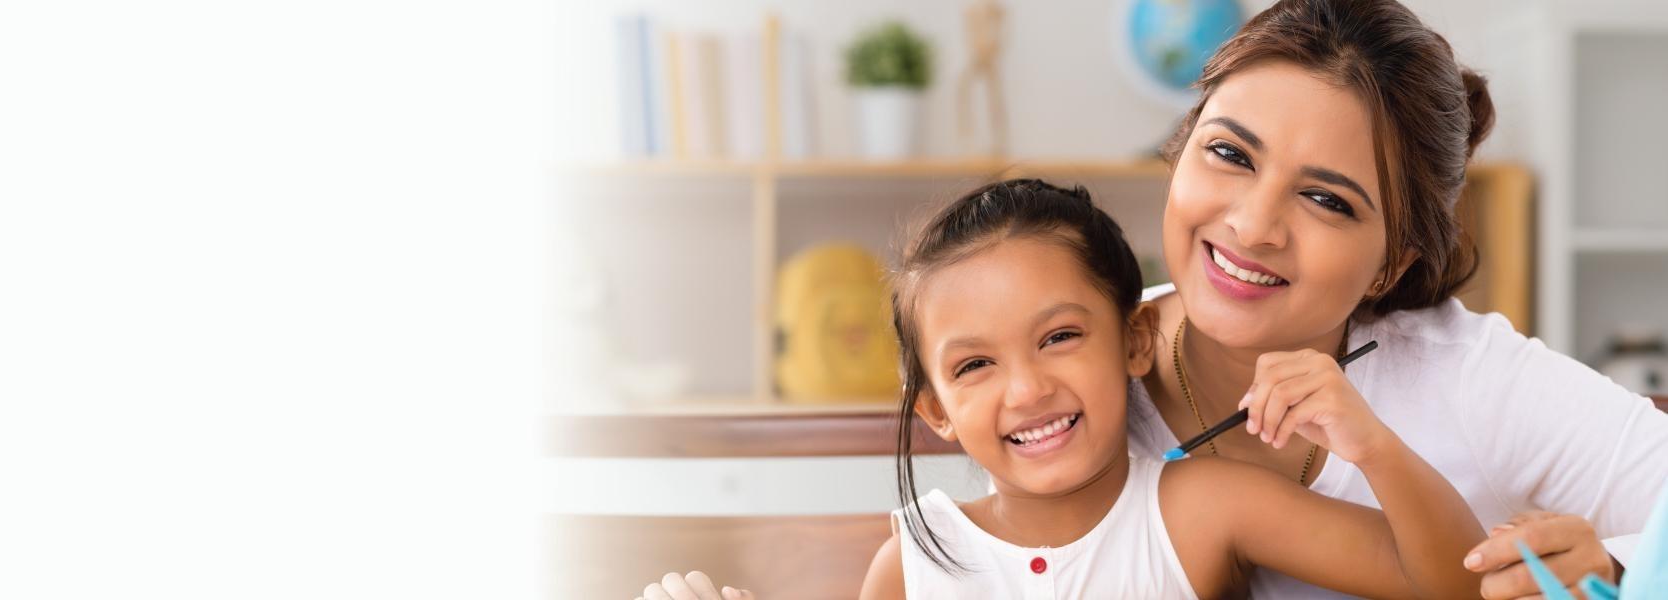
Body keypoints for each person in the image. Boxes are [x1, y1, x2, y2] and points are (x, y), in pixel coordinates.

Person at [647, 0, 1668, 597]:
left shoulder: (1463, 378)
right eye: (1228, 154)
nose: (1254, 225)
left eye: (1325, 198)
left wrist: (1619, 570)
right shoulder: (1075, 348)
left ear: (1395, 259)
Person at [860, 178, 1483, 598]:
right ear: (937, 409)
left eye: (1059, 337)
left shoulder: (1203, 508)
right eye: (974, 366)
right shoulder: (909, 568)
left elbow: (1451, 586)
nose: (1026, 390)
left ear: (1135, 341)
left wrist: (1373, 446)